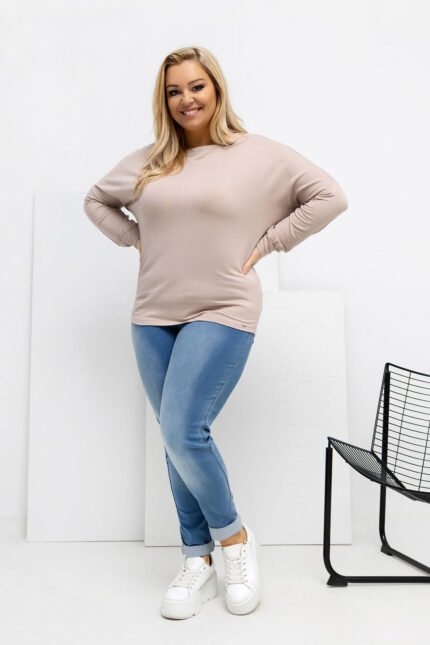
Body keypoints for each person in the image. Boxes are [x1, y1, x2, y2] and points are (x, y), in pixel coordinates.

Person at [83, 45, 348, 620]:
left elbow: (330, 196)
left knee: (184, 429)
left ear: (217, 88)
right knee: (174, 438)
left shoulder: (259, 154)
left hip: (223, 306)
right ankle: (196, 558)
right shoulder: (150, 162)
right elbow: (96, 200)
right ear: (164, 100)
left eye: (196, 86)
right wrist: (136, 239)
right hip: (152, 314)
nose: (186, 99)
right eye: (174, 91)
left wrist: (272, 241)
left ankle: (234, 540)